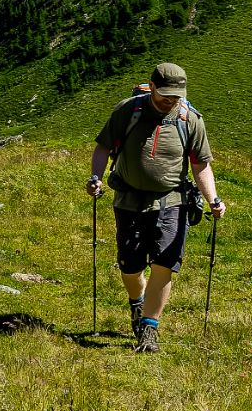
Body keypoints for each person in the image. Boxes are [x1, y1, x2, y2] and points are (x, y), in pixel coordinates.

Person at [86, 61, 227, 353]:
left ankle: (149, 329)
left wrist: (213, 198)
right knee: (131, 266)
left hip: (172, 200)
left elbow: (200, 164)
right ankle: (137, 303)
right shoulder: (128, 111)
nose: (169, 102)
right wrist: (96, 178)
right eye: (164, 96)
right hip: (129, 199)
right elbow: (103, 147)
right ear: (151, 87)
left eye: (174, 97)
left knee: (164, 264)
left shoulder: (190, 120)